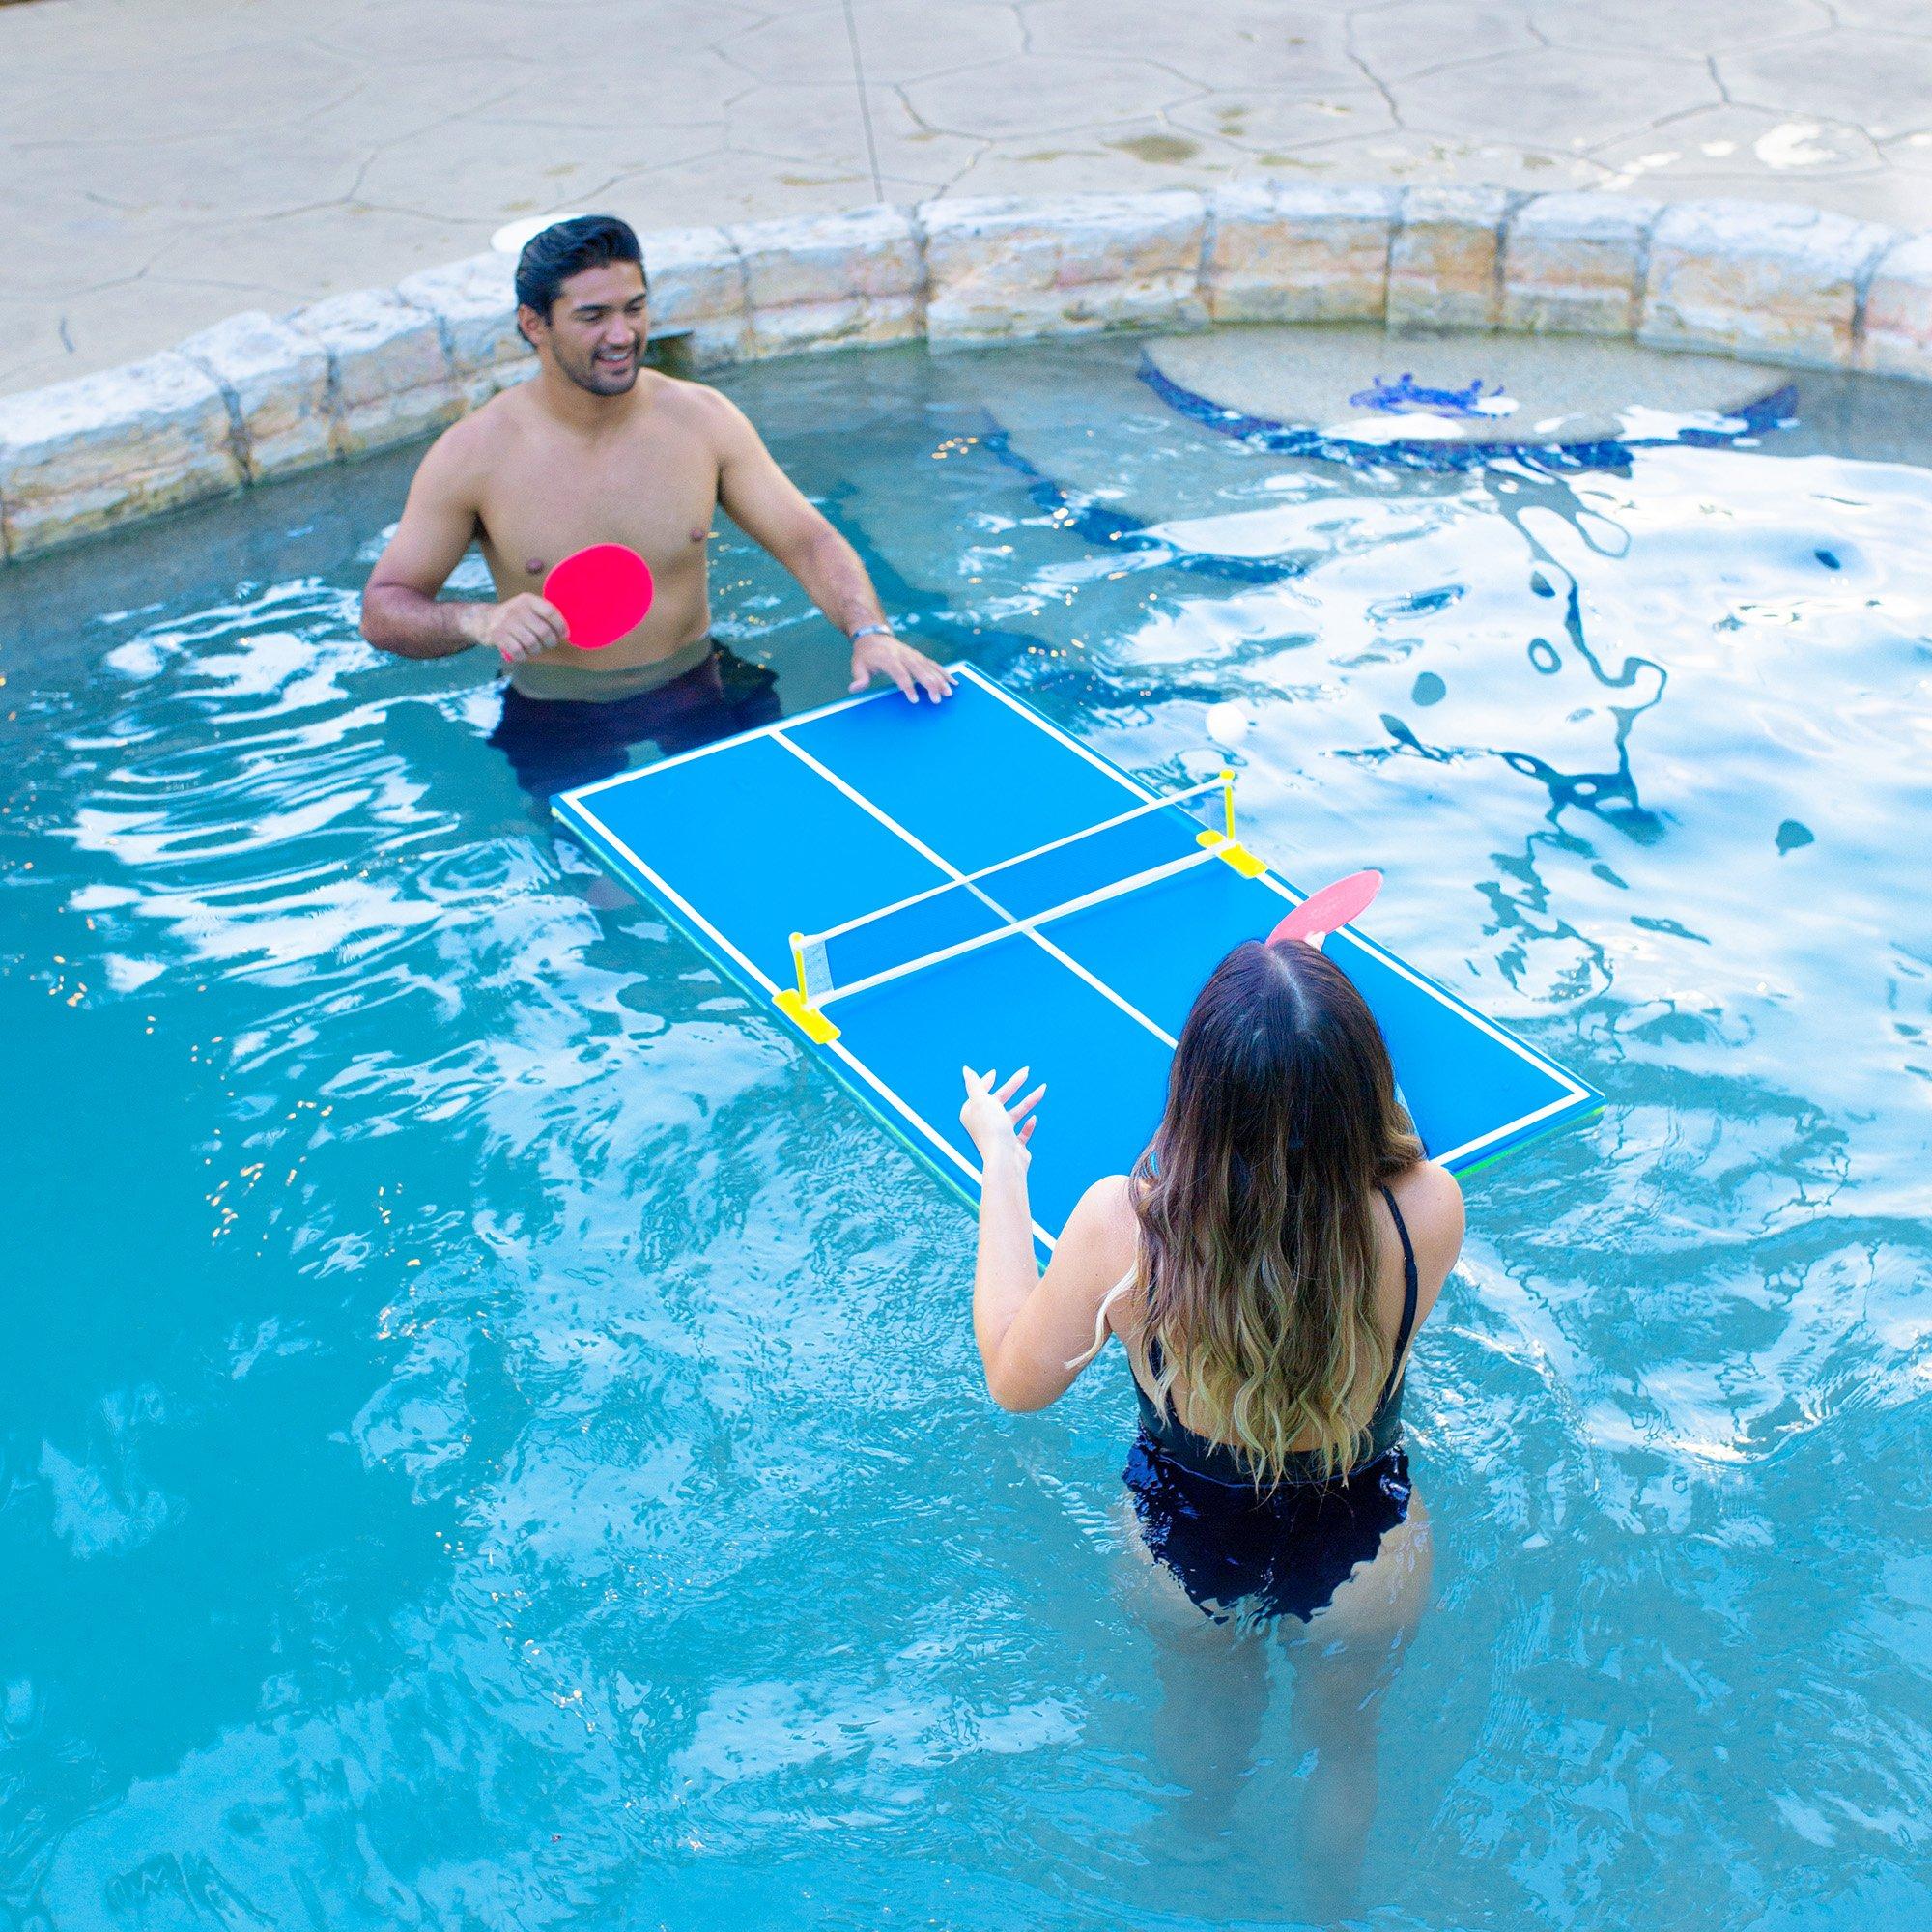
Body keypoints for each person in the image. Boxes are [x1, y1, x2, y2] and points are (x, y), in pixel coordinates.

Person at [958, 933, 1463, 1906]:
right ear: (1361, 1088)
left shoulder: (1123, 1230)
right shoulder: (1428, 1210)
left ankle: (1193, 1870)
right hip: (1367, 1536)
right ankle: (1329, 1914)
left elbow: (1013, 1381)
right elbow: (1375, 1149)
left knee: (1201, 1745)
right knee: (1346, 1755)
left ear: (1195, 1094)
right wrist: (1316, 1044)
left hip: (1181, 1537)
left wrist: (1003, 1165)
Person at [359, 214, 952, 796]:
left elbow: (807, 539)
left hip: (698, 683)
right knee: (593, 866)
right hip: (558, 711)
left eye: (634, 308)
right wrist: (480, 620)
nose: (622, 335)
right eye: (593, 316)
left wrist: (869, 630)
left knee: (765, 822)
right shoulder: (473, 455)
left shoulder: (702, 420)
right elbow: (383, 610)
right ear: (534, 324)